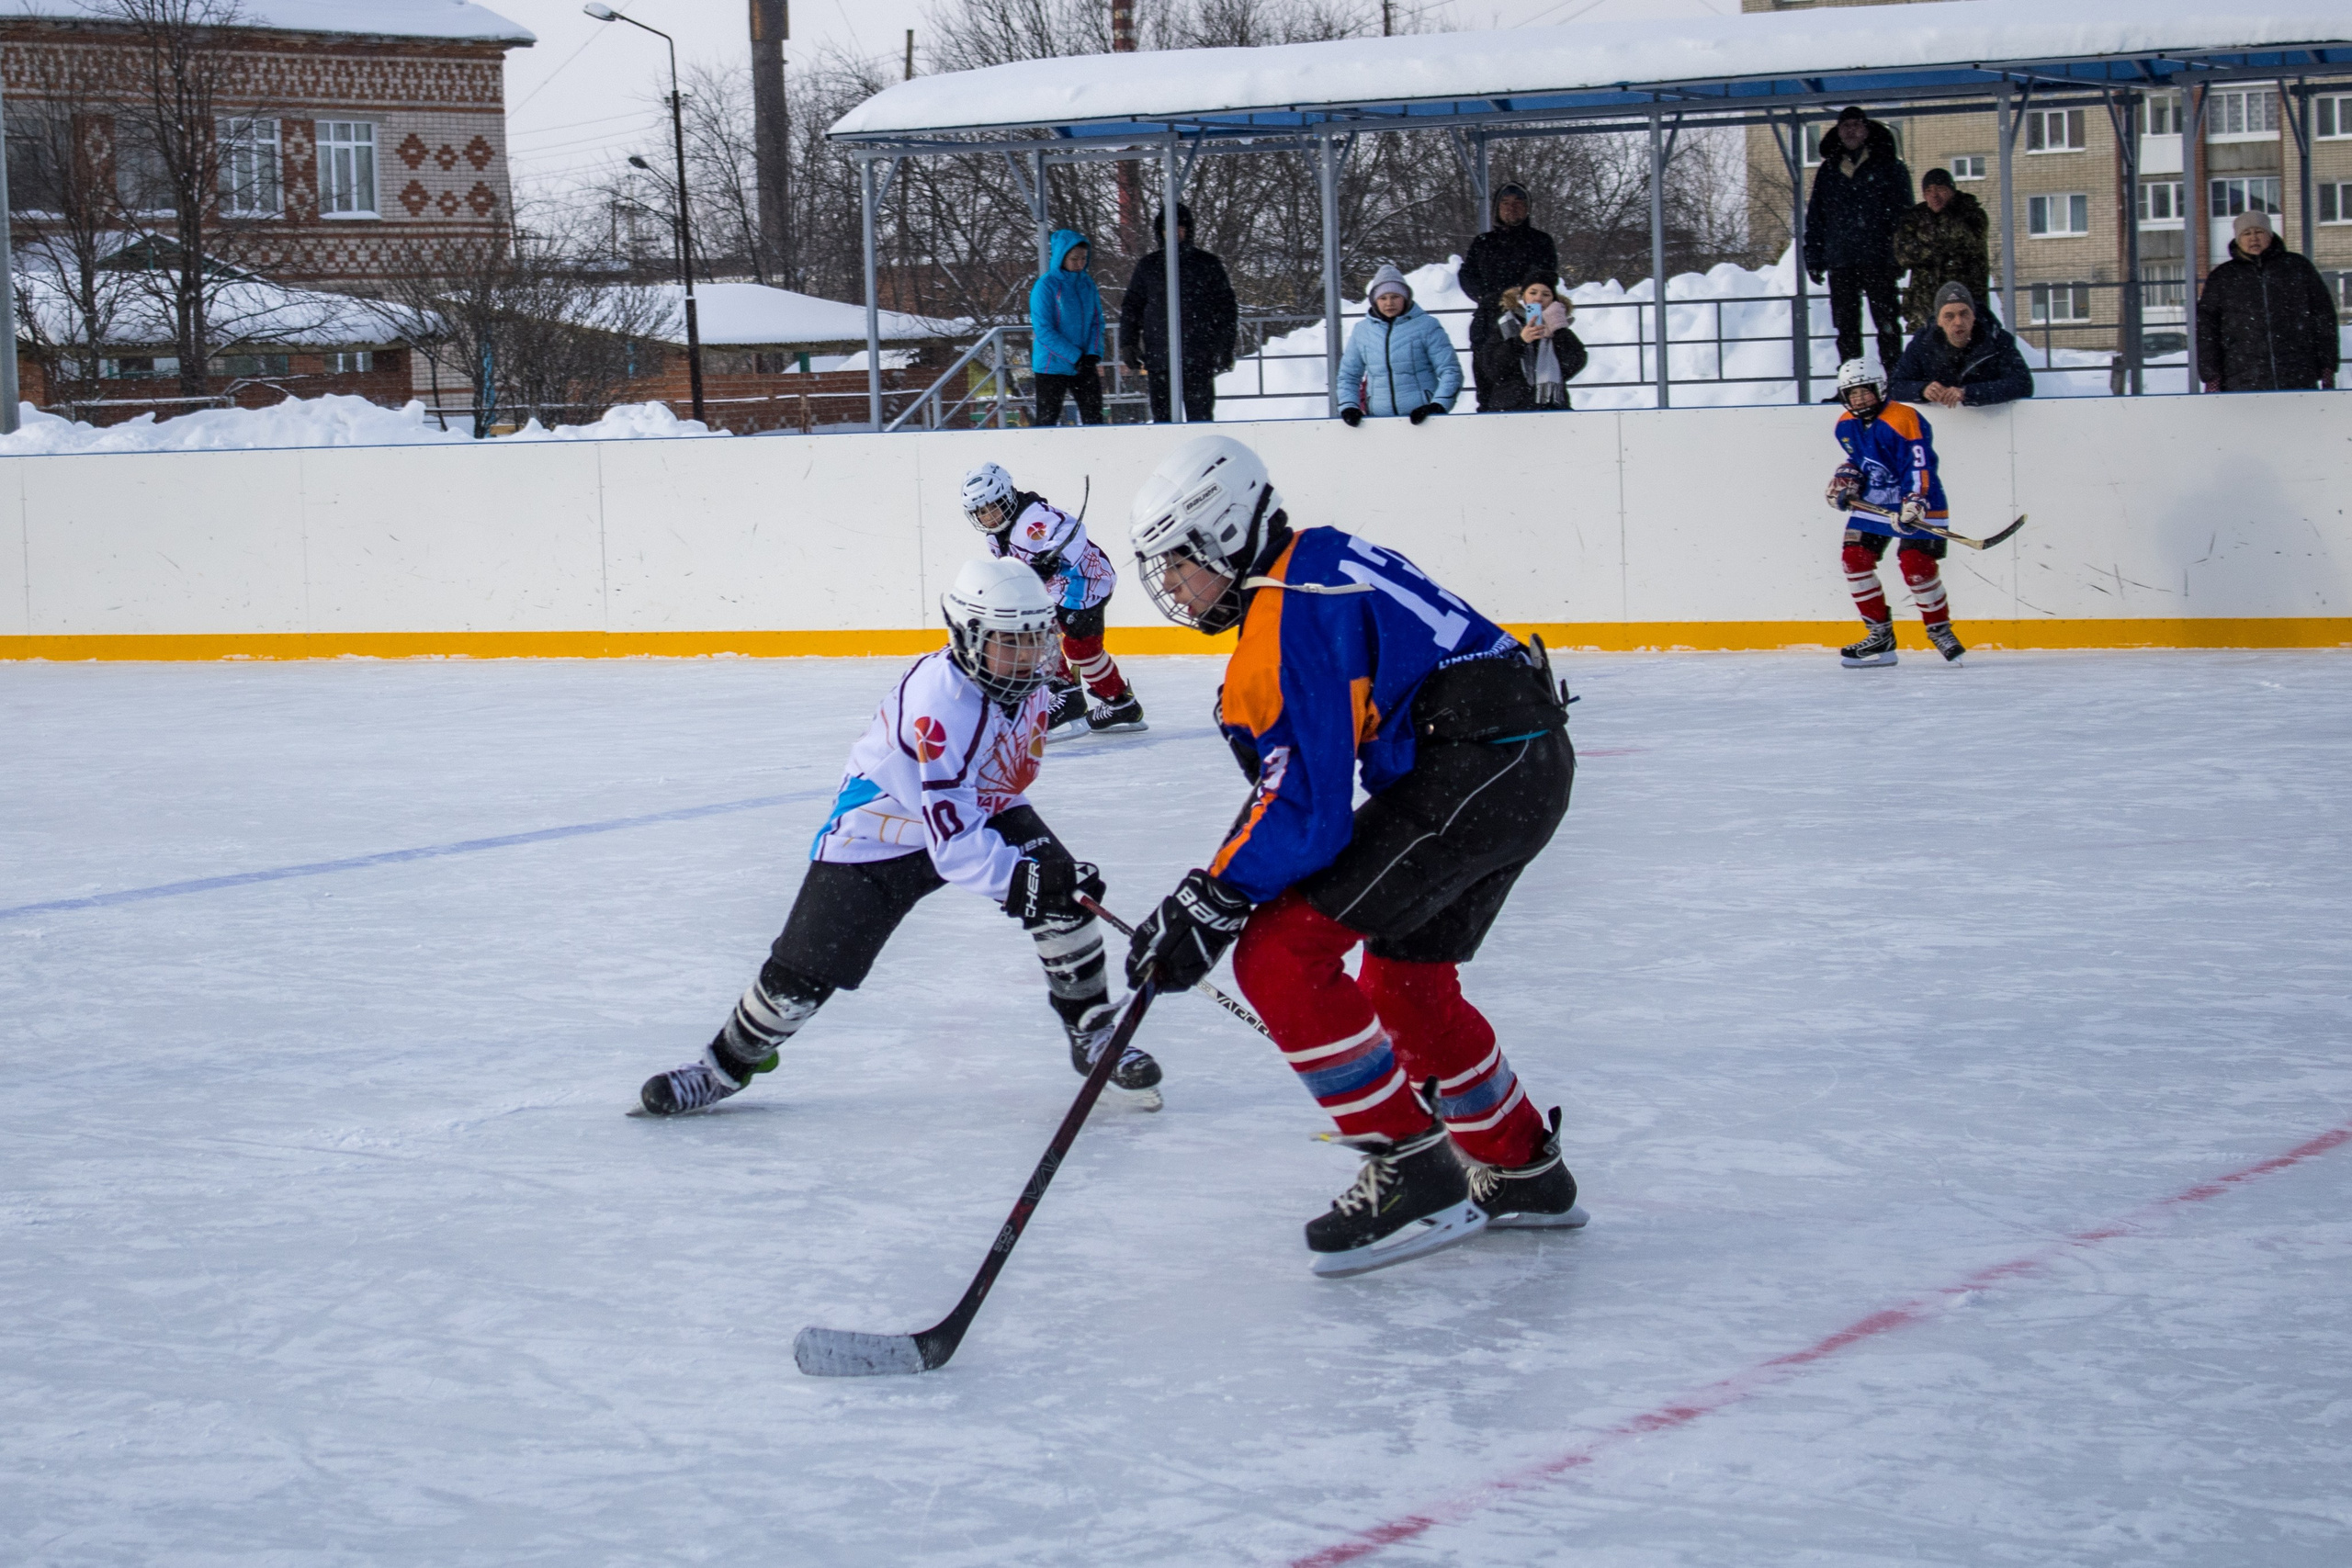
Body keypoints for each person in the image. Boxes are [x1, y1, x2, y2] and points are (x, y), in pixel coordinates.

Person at [1120, 434, 1585, 1278]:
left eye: (1181, 565)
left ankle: (1413, 1167)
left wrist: (1211, 901)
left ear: (1224, 533)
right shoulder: (1320, 555)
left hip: (1476, 764)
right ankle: (1522, 1169)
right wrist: (1224, 882)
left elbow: (1309, 811)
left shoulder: (1287, 609)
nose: (1177, 590)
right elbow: (1301, 784)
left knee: (1279, 956)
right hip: (1523, 761)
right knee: (1405, 985)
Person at [635, 558, 1163, 1116]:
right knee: (805, 972)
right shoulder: (940, 704)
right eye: (1011, 642)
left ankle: (1092, 1031)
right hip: (880, 833)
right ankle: (724, 1065)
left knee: (1063, 895)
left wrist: (1042, 879)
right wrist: (1022, 879)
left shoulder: (1028, 687)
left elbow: (998, 784)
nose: (1031, 656)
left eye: (1037, 638)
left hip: (975, 807)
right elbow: (954, 845)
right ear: (967, 637)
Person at [960, 461, 1146, 738]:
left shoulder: (1033, 519)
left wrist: (1053, 555)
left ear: (1008, 497)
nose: (989, 516)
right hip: (1063, 588)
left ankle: (1066, 696)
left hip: (1083, 583)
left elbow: (1072, 530)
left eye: (993, 506)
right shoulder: (995, 538)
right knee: (1082, 650)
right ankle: (1122, 705)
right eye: (982, 512)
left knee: (1032, 631)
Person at [1826, 359, 1964, 668]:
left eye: (1865, 392)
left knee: (1916, 565)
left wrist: (1915, 500)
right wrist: (1846, 479)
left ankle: (1939, 629)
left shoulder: (1904, 418)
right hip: (1875, 503)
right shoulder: (1844, 424)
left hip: (1920, 500)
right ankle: (1880, 637)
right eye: (1852, 393)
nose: (1859, 399)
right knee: (1854, 559)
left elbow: (1919, 465)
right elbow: (1859, 462)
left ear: (1881, 388)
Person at [1804, 107, 1913, 380]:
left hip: (1879, 260)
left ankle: (1894, 382)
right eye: (1845, 126)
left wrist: (1897, 256)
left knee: (1887, 325)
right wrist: (1814, 256)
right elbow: (1816, 217)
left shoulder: (1889, 166)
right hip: (1841, 261)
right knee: (1846, 328)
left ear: (1867, 129)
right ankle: (1854, 385)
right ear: (1838, 131)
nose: (1851, 130)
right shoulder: (1829, 170)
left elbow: (1903, 215)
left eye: (1856, 124)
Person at [2195, 209, 2341, 393]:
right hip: (2241, 378)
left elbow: (2323, 316)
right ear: (2238, 239)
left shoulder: (2297, 267)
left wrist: (2327, 365)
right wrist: (2211, 374)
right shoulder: (2223, 277)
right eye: (2246, 233)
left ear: (2270, 235)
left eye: (2259, 232)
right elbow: (2207, 327)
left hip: (2297, 373)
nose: (2253, 238)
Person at [1118, 204, 1238, 423]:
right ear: (1160, 231)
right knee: (1163, 419)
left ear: (1188, 230)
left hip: (1198, 356)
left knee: (1200, 417)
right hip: (1160, 357)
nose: (1175, 233)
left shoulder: (1207, 264)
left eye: (1180, 227)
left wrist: (1224, 346)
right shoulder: (1148, 266)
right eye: (1168, 228)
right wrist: (1128, 342)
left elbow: (1226, 310)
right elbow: (1132, 307)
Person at [1457, 182, 1561, 412]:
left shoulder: (1541, 241)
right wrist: (1487, 297)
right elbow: (1467, 276)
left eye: (1518, 202)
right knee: (1487, 385)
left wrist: (1521, 297)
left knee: (1529, 380)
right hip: (1489, 319)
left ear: (1527, 208)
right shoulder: (1483, 243)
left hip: (1530, 317)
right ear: (1496, 208)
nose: (1511, 208)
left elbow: (1546, 277)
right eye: (1505, 203)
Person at [1337, 265, 1462, 425]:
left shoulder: (1427, 326)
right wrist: (1349, 406)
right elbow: (1348, 376)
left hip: (1424, 422)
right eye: (1383, 298)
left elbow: (1450, 371)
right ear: (1375, 301)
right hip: (1378, 422)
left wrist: (1438, 405)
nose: (1389, 303)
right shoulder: (1361, 331)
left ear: (1405, 298)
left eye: (1395, 296)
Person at [1888, 283, 2032, 409]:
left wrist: (1969, 393)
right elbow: (1895, 386)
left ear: (1973, 315)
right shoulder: (1921, 344)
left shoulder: (1997, 340)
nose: (1958, 322)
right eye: (1949, 316)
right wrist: (1922, 390)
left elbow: (2023, 384)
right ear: (1938, 320)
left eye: (1964, 314)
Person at [1892, 168, 1994, 333]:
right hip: (1924, 307)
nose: (1934, 195)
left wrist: (1927, 243)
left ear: (1952, 191)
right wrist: (1937, 245)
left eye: (1940, 189)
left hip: (1962, 303)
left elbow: (1968, 243)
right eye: (1929, 191)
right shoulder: (1915, 217)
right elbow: (1903, 254)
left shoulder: (1971, 214)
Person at [1473, 276, 1588, 412]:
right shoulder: (1505, 325)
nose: (1538, 298)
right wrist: (1520, 342)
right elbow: (1493, 369)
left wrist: (1559, 328)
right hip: (1509, 408)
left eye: (1546, 294)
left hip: (1551, 407)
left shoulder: (1559, 331)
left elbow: (1574, 363)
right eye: (1533, 293)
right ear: (1523, 297)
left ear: (1553, 300)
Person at [1028, 229, 1106, 427]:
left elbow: (1097, 322)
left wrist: (1092, 353)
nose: (1080, 264)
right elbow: (1044, 330)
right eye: (1075, 259)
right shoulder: (1045, 286)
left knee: (1094, 417)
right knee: (1047, 421)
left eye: (1083, 258)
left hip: (1084, 363)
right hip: (1051, 365)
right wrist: (1075, 356)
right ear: (1062, 257)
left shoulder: (1087, 284)